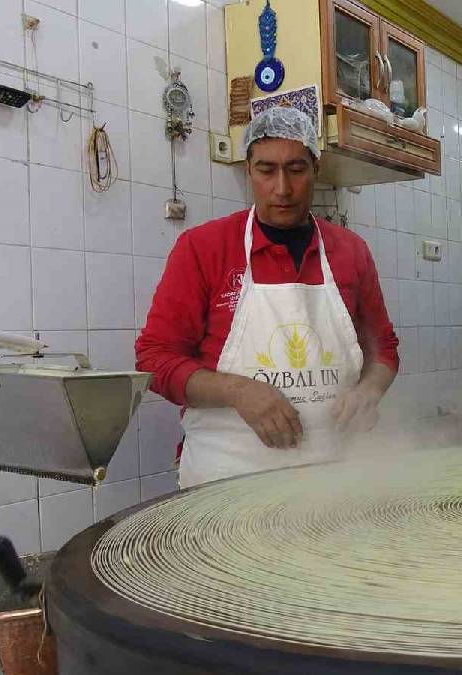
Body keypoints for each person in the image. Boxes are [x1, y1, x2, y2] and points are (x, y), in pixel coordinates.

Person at [135, 106, 399, 487]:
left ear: (316, 170)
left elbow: (383, 348)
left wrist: (369, 390)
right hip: (228, 478)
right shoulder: (204, 248)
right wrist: (237, 390)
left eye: (296, 169)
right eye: (266, 170)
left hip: (335, 480)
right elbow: (154, 360)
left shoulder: (350, 251)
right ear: (248, 170)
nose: (282, 189)